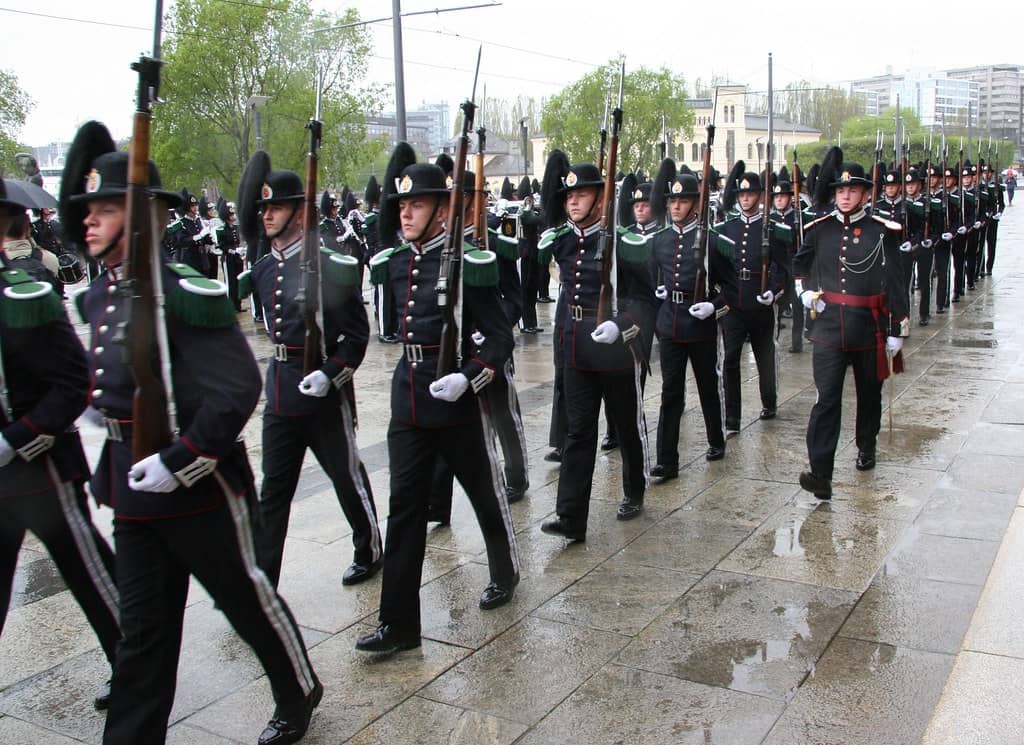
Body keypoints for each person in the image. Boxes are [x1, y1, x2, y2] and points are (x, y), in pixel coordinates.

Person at [61, 121, 321, 745]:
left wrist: (180, 458)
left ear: (140, 215)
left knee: (245, 601)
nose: (89, 222)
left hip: (200, 489)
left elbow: (237, 388)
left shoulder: (186, 293)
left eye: (104, 209)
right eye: (87, 210)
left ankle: (298, 689)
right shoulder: (96, 300)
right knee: (143, 633)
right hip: (134, 493)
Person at [357, 144, 520, 654]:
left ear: (443, 211)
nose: (405, 213)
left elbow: (498, 339)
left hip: (455, 401)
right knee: (404, 510)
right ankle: (398, 624)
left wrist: (469, 377)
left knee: (484, 493)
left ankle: (505, 569)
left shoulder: (471, 263)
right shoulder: (398, 261)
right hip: (409, 397)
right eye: (402, 206)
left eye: (418, 205)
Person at [0, 180, 120, 712]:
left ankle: (136, 665)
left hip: (42, 469)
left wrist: (15, 440)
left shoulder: (27, 293)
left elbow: (74, 383)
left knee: (93, 577)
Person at [236, 153, 382, 590]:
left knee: (346, 478)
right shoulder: (263, 271)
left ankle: (370, 548)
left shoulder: (332, 266)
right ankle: (264, 583)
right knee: (274, 492)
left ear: (299, 213)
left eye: (275, 208)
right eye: (263, 209)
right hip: (281, 391)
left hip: (323, 393)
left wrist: (331, 374)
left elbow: (357, 336)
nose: (266, 216)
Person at [538, 151, 657, 540]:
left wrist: (621, 326)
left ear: (601, 199)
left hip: (616, 352)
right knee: (578, 433)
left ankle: (635, 489)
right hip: (577, 348)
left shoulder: (627, 243)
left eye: (582, 195)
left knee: (626, 426)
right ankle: (571, 516)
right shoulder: (561, 241)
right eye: (569, 196)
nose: (572, 201)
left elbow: (643, 301)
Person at [793, 149, 909, 499]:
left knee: (868, 394)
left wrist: (897, 329)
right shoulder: (819, 229)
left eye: (852, 191)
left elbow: (897, 281)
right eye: (840, 191)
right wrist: (804, 293)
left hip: (868, 325)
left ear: (865, 194)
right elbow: (799, 265)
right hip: (828, 328)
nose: (845, 196)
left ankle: (866, 445)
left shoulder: (881, 231)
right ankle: (820, 472)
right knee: (826, 399)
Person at [647, 161, 726, 482]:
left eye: (682, 201)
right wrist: (658, 290)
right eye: (672, 201)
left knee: (707, 385)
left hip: (701, 323)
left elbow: (729, 288)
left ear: (695, 204)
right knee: (671, 393)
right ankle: (667, 460)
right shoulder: (660, 239)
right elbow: (653, 278)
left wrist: (714, 307)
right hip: (670, 323)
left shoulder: (710, 240)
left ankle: (716, 438)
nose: (676, 206)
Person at [712, 162, 789, 433]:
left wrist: (774, 290)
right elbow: (717, 267)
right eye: (742, 195)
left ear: (759, 196)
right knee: (730, 359)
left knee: (764, 354)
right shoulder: (726, 228)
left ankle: (769, 400)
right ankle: (732, 416)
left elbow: (783, 268)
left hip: (760, 300)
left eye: (750, 194)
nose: (745, 198)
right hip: (733, 302)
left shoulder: (771, 228)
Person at [216, 197, 245, 312]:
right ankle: (230, 306)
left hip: (237, 258)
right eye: (231, 215)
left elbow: (237, 241)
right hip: (228, 258)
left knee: (238, 281)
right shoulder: (221, 229)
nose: (233, 217)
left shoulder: (236, 228)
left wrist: (240, 250)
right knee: (230, 283)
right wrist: (233, 251)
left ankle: (238, 305)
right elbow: (222, 246)